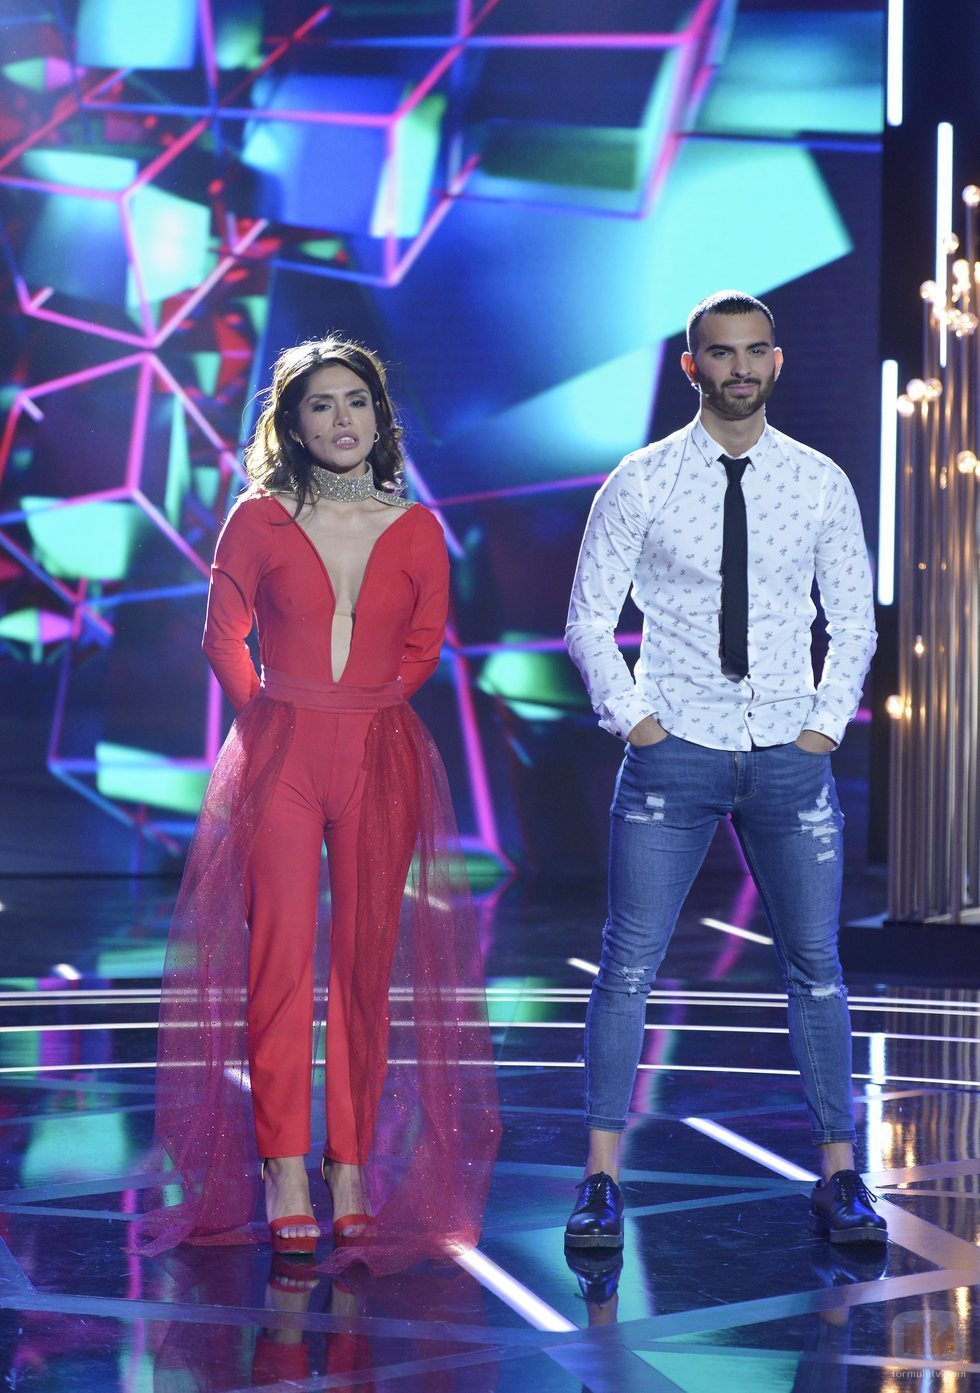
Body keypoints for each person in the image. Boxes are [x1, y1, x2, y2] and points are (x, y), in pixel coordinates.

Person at [138, 336, 499, 1270]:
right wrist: (273, 723)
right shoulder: (257, 518)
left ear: (380, 418)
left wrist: (367, 707)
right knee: (278, 961)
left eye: (358, 401)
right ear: (292, 424)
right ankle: (284, 1169)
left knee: (366, 967)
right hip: (283, 749)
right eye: (322, 404)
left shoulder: (416, 527)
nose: (343, 418)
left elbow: (423, 645)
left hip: (379, 749)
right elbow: (223, 638)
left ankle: (350, 1165)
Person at [564, 290, 885, 1249]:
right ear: (691, 365)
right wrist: (637, 721)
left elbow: (854, 619)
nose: (739, 367)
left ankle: (840, 1176)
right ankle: (600, 1181)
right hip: (677, 753)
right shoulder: (641, 480)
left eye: (754, 351)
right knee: (627, 964)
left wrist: (823, 728)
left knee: (817, 968)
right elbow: (588, 618)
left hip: (790, 754)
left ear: (777, 361)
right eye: (720, 352)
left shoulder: (819, 481)